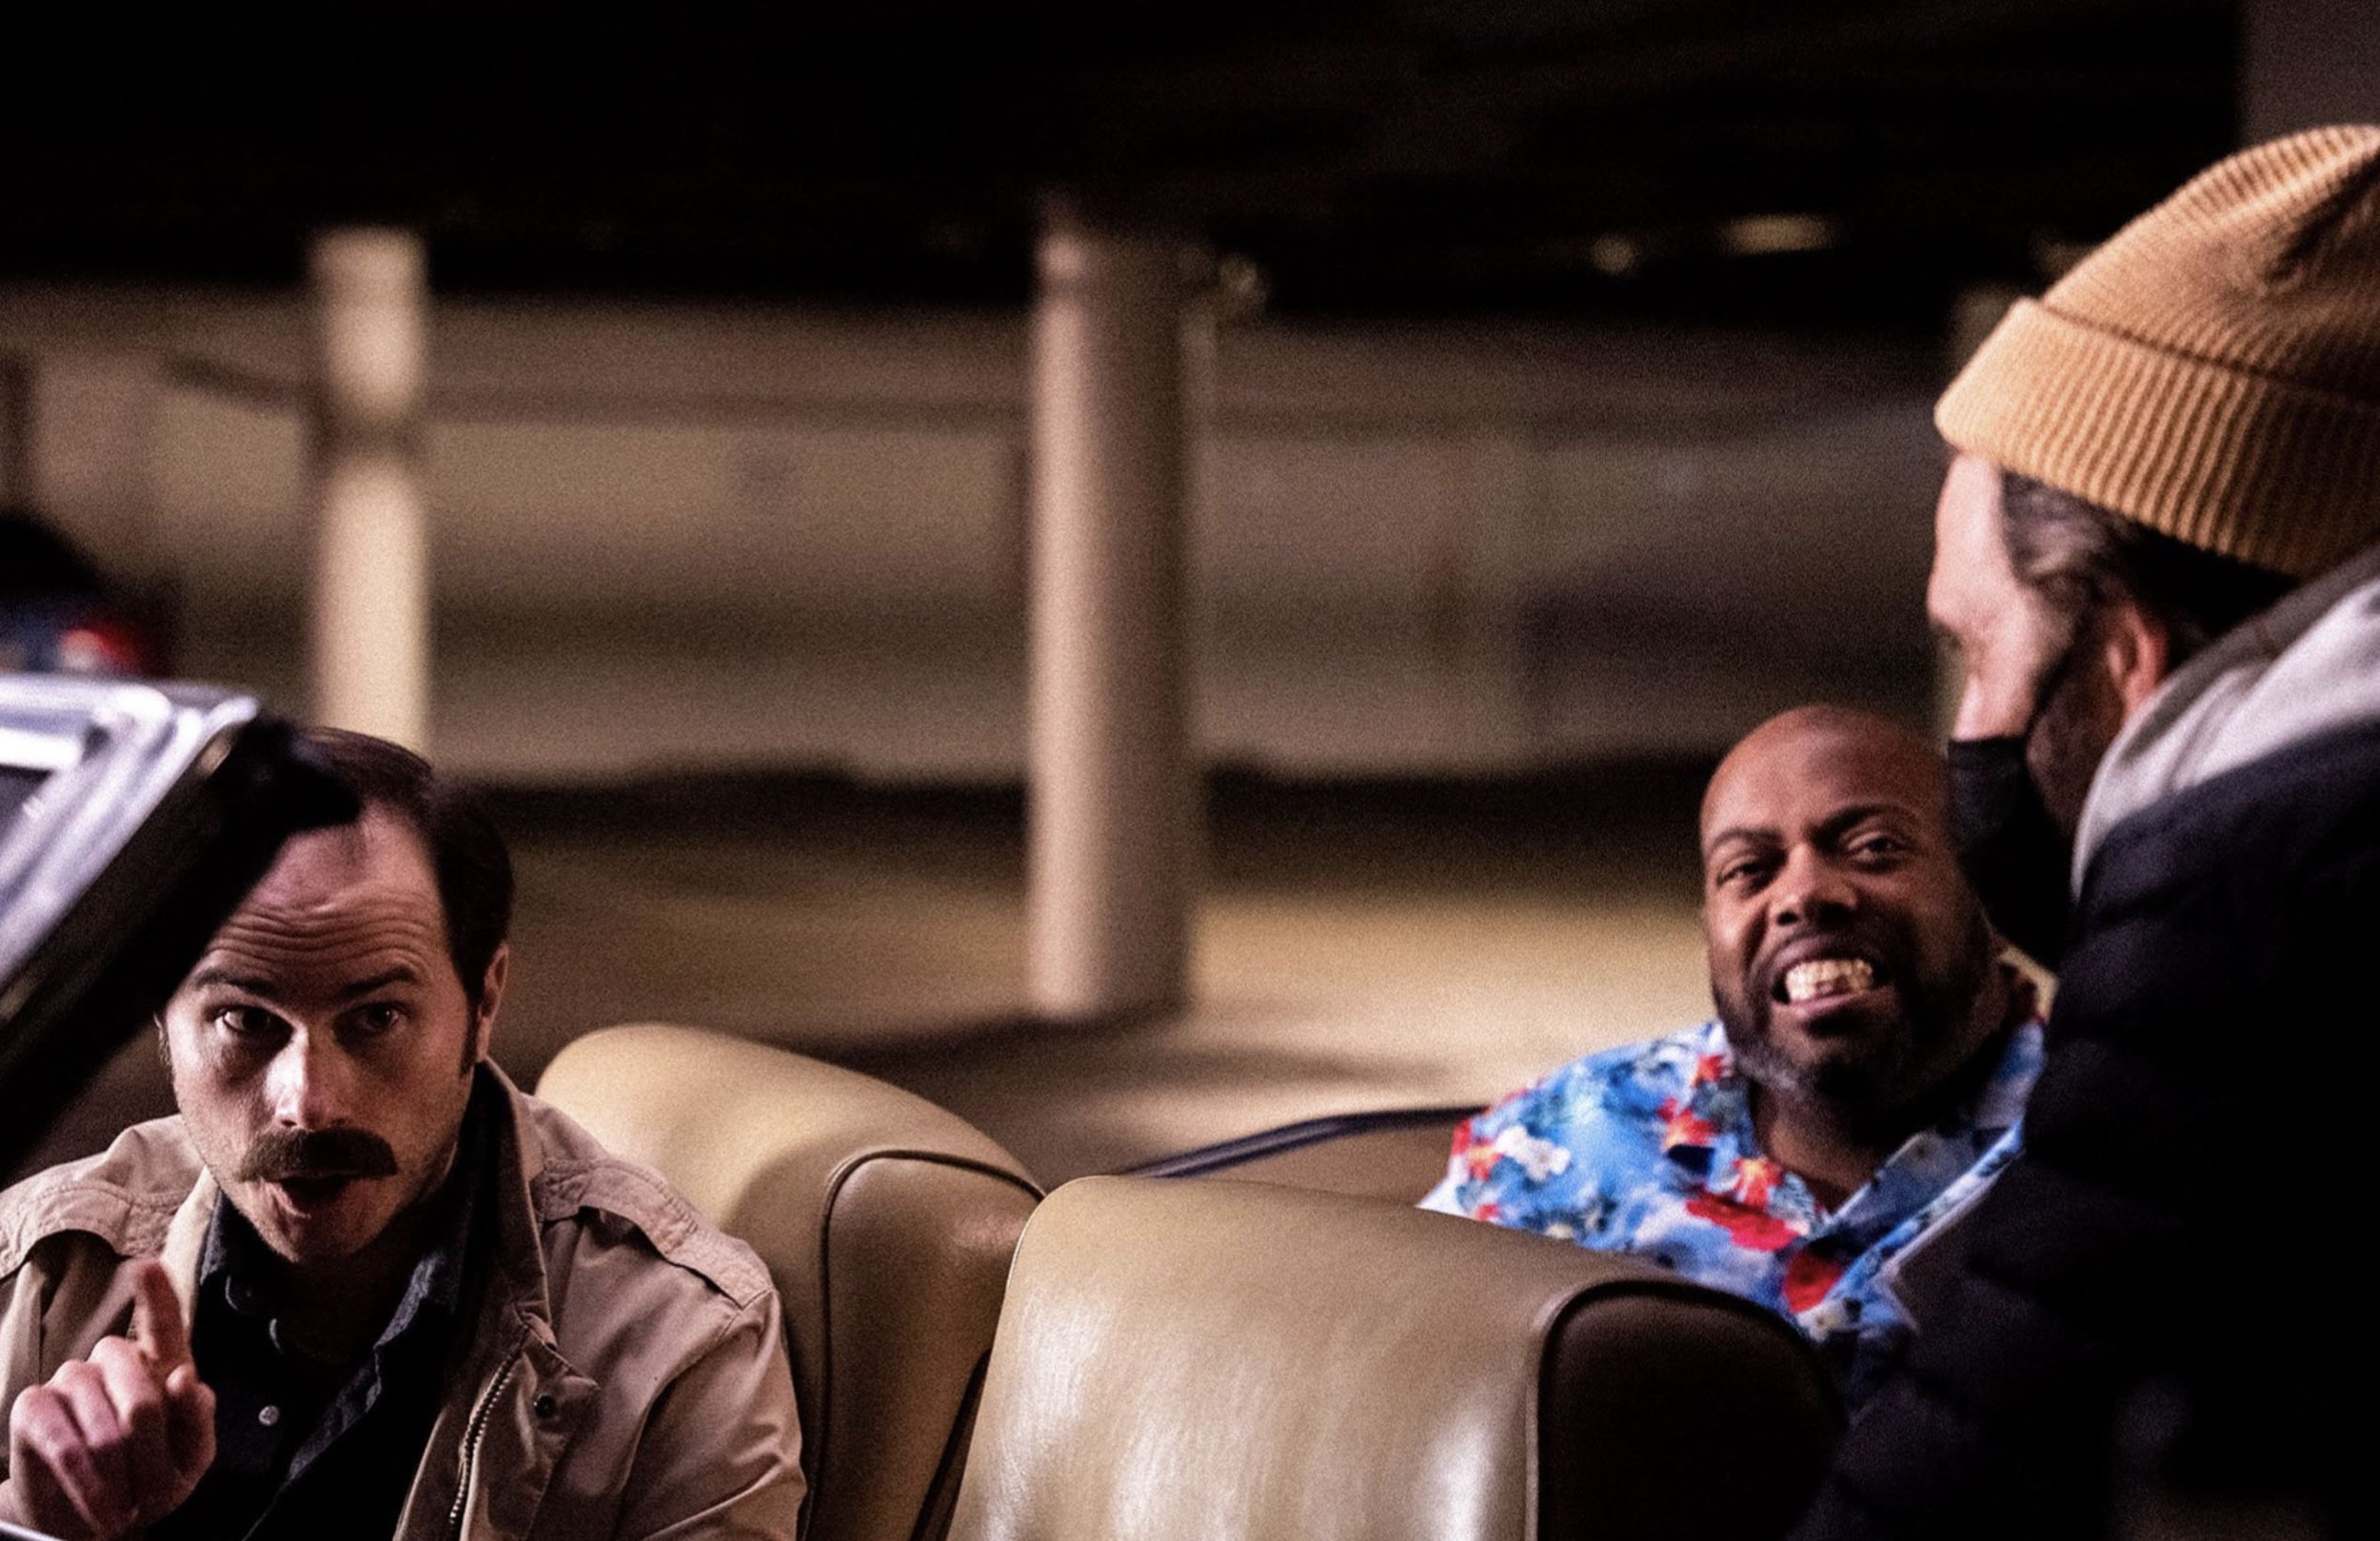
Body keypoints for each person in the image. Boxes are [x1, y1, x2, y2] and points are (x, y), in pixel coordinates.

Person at [1792, 125, 2380, 1541]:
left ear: (2125, 646)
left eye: (1977, 650)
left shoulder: (2250, 886)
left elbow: (1994, 1456)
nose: (1974, 727)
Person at [0, 729, 805, 1541]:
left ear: (482, 1005)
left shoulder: (681, 1345)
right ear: (161, 1014)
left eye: (376, 1017)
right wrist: (37, 1525)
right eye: (246, 1020)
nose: (307, 1103)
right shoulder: (34, 1278)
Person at [1424, 705, 2043, 1406]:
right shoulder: (1565, 1140)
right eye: (1749, 870)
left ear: (1995, 902)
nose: (1804, 894)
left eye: (1874, 848)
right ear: (1710, 939)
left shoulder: (2121, 1137)